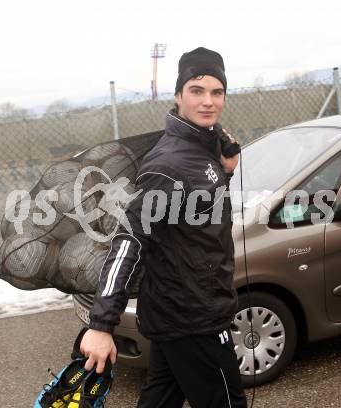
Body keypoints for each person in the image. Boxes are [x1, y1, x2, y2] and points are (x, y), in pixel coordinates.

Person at [80, 47, 247, 408]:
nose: (208, 101)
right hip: (193, 318)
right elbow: (130, 240)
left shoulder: (203, 152)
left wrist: (226, 171)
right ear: (178, 96)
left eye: (217, 92)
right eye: (197, 91)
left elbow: (201, 218)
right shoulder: (169, 163)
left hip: (182, 310)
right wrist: (101, 324)